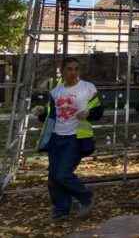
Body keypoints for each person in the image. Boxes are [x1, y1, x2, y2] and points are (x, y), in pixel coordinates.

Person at [33, 57, 103, 220]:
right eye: (70, 69)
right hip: (56, 138)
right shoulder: (55, 91)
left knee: (63, 174)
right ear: (62, 71)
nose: (73, 72)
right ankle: (61, 210)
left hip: (76, 138)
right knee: (53, 177)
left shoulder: (88, 88)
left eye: (76, 69)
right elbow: (51, 115)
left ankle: (86, 198)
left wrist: (89, 113)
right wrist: (41, 112)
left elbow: (99, 112)